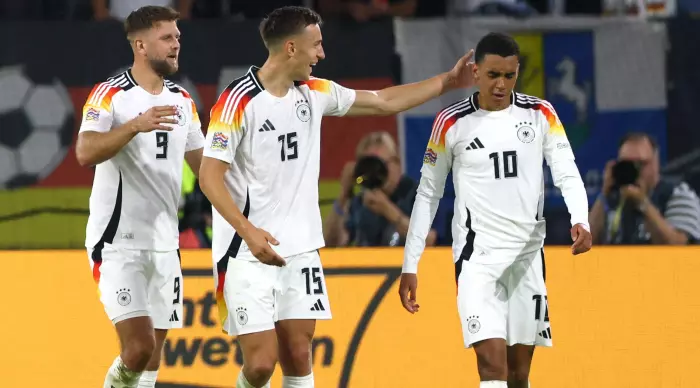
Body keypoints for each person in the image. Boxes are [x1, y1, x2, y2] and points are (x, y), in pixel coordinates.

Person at [197, 6, 475, 388]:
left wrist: (447, 81)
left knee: (298, 353)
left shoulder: (314, 93)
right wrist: (248, 232)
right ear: (291, 48)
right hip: (246, 250)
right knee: (261, 364)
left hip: (301, 249)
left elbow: (383, 101)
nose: (321, 55)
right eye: (316, 46)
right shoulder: (238, 100)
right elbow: (208, 177)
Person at [398, 32, 592, 388]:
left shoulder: (540, 114)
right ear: (475, 72)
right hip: (477, 259)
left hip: (527, 257)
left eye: (510, 75)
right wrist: (411, 264)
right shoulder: (450, 123)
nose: (501, 84)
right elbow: (428, 194)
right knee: (491, 366)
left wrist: (580, 217)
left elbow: (566, 170)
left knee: (519, 375)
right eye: (493, 75)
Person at [75, 6, 204, 388]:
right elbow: (85, 152)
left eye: (177, 37)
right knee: (137, 347)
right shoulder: (110, 95)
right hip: (117, 243)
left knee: (150, 360)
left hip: (165, 246)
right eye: (167, 38)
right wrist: (135, 126)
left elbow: (207, 171)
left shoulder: (183, 102)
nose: (176, 44)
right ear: (140, 45)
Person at [323, 131, 439, 247]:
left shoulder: (420, 195)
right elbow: (330, 244)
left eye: (379, 165)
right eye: (369, 166)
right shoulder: (361, 202)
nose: (375, 172)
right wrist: (343, 196)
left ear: (396, 163)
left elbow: (431, 241)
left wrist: (390, 213)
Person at [589, 132, 700, 245]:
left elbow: (679, 248)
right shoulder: (612, 198)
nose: (633, 170)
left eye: (640, 164)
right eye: (627, 164)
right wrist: (604, 193)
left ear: (655, 163)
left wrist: (643, 204)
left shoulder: (677, 194)